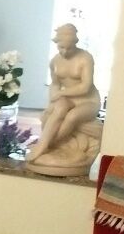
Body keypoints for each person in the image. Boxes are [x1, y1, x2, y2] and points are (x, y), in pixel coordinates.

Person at [28, 23, 100, 161]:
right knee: (57, 109)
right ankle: (44, 144)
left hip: (88, 101)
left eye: (69, 48)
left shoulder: (85, 58)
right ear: (57, 44)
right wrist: (53, 101)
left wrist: (61, 93)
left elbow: (85, 87)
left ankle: (48, 144)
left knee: (72, 116)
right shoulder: (55, 61)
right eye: (61, 47)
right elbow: (55, 84)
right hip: (68, 97)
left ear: (75, 44)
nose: (65, 52)